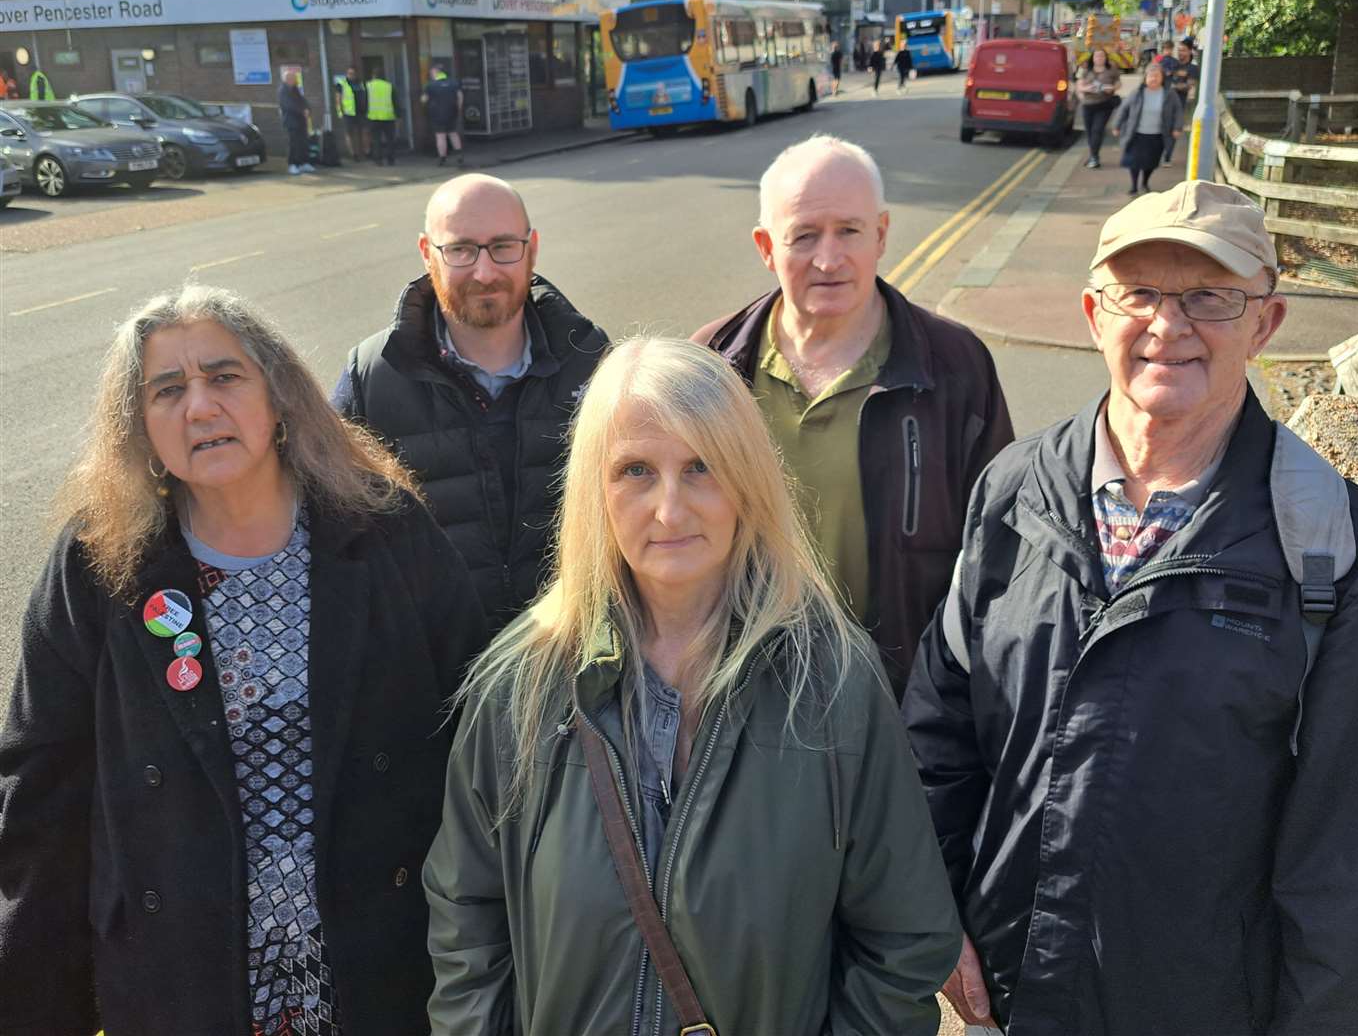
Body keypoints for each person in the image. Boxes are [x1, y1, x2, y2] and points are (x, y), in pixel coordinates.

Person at [903, 180, 1358, 1036]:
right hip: (1004, 995)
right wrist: (932, 915)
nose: (1167, 325)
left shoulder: (1342, 550)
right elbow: (939, 730)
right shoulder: (1013, 491)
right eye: (1137, 293)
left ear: (1265, 322)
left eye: (1209, 297)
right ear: (1092, 312)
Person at [424, 336, 961, 1035]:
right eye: (636, 471)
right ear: (594, 490)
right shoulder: (519, 684)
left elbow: (905, 937)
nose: (669, 510)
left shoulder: (830, 683)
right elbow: (467, 920)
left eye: (701, 467)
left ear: (747, 480)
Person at [0, 284, 488, 1035]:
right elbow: (43, 789)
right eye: (167, 390)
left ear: (279, 396)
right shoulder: (100, 563)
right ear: (139, 426)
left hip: (378, 967)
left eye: (224, 377)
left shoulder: (383, 531)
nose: (199, 406)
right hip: (183, 982)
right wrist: (35, 1002)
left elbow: (477, 738)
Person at [693, 136, 1013, 699]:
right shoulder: (710, 365)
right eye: (804, 236)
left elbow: (998, 552)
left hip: (902, 698)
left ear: (882, 234)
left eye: (850, 231)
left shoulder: (957, 366)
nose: (828, 259)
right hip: (740, 694)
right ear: (767, 247)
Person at [333, 173, 608, 631]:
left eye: (503, 247)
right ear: (427, 253)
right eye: (460, 250)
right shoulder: (372, 378)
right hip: (433, 670)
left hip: (571, 656)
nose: (484, 272)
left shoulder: (591, 362)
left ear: (531, 249)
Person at [1112, 61, 1182, 195]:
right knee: (1134, 161)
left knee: (1151, 162)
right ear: (1145, 78)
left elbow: (1177, 110)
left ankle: (1145, 182)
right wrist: (1117, 125)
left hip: (1156, 135)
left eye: (1157, 76)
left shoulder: (1169, 94)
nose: (1154, 78)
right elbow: (1124, 109)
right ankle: (1133, 185)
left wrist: (1177, 127)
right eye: (1151, 76)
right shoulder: (1137, 93)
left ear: (1162, 78)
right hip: (1137, 134)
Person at [1076, 47, 1121, 169]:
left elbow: (1118, 83)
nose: (1099, 58)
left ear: (1105, 57)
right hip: (1088, 104)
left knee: (1097, 130)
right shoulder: (1085, 69)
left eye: (1102, 56)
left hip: (1104, 104)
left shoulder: (1111, 69)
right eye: (1097, 56)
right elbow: (1079, 85)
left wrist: (1112, 88)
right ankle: (1093, 155)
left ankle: (1095, 158)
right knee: (1090, 132)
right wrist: (1086, 89)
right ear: (1093, 58)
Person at [1161, 38, 1200, 164]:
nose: (1180, 53)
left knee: (1174, 130)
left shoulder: (1192, 68)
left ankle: (1167, 156)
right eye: (1178, 50)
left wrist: (1175, 87)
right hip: (1164, 101)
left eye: (1183, 50)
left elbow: (1190, 85)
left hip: (1179, 103)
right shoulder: (1172, 63)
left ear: (1189, 51)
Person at [422, 63, 464, 168]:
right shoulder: (454, 83)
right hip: (452, 112)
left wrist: (426, 103)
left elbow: (424, 99)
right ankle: (459, 155)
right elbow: (460, 96)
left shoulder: (430, 85)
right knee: (453, 133)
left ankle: (442, 158)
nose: (431, 74)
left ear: (436, 72)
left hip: (437, 114)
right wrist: (458, 109)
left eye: (432, 72)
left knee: (440, 136)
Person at [277, 70, 314, 176]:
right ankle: (292, 164)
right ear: (287, 79)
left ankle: (304, 163)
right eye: (293, 78)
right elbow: (288, 105)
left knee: (303, 142)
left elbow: (303, 100)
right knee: (293, 143)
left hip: (301, 120)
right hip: (291, 121)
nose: (295, 80)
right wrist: (302, 111)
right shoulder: (283, 91)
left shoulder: (296, 89)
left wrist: (307, 109)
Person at [334, 65, 370, 163]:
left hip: (361, 112)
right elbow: (338, 99)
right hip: (348, 113)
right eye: (349, 73)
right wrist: (340, 112)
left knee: (365, 132)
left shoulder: (361, 83)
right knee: (350, 134)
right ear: (347, 74)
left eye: (353, 74)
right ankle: (354, 154)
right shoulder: (341, 84)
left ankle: (367, 152)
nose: (351, 75)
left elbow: (366, 96)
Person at [366, 68, 398, 166]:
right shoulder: (389, 86)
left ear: (373, 75)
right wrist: (398, 115)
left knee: (376, 140)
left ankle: (378, 160)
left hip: (374, 117)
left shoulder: (368, 86)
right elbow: (395, 101)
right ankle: (390, 159)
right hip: (388, 117)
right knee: (390, 140)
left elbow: (364, 101)